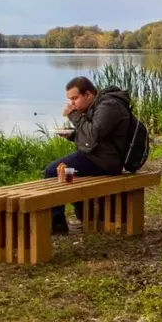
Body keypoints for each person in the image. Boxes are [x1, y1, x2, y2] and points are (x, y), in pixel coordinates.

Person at [45, 76, 132, 235]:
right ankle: (85, 216)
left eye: (75, 98)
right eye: (70, 100)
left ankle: (57, 225)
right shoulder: (97, 105)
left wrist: (73, 115)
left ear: (88, 94)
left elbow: (94, 134)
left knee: (52, 171)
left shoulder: (109, 105)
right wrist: (71, 135)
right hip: (99, 156)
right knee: (69, 173)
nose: (72, 104)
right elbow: (92, 137)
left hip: (105, 161)